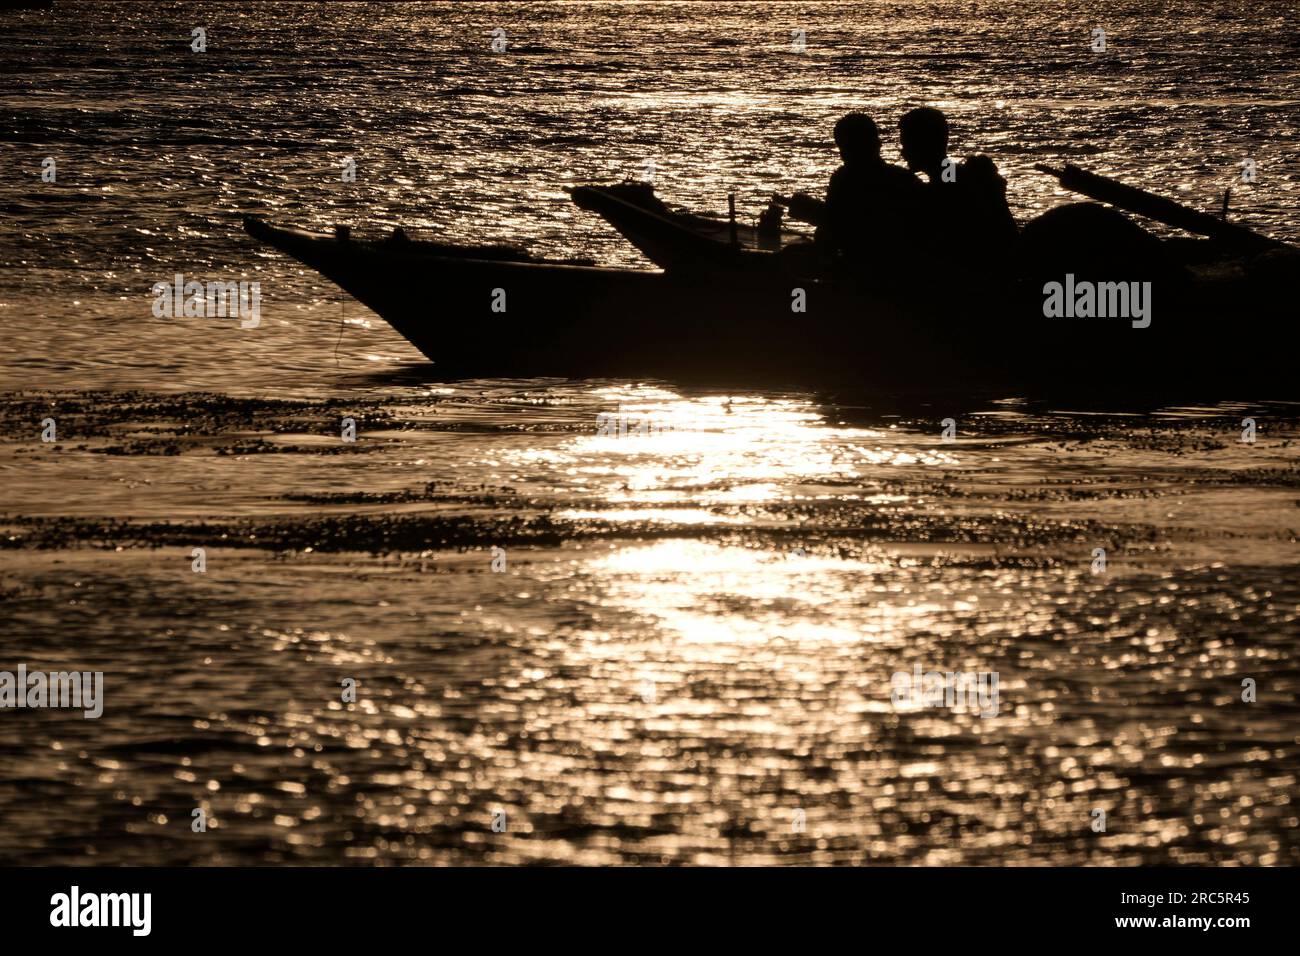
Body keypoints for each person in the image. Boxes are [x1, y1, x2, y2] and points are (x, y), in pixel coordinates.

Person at [781, 112, 926, 274]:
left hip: (864, 272)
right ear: (877, 144)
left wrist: (812, 212)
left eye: (844, 147)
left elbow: (834, 235)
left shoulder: (843, 179)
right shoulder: (906, 179)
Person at [897, 107, 1018, 268]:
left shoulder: (947, 188)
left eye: (907, 145)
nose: (902, 153)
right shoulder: (953, 176)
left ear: (923, 145)